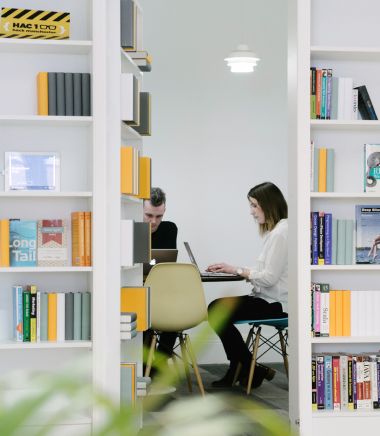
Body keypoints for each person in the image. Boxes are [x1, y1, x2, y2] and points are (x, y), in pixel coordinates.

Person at [207, 181, 288, 389]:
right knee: (217, 308)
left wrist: (237, 270)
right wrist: (235, 269)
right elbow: (268, 272)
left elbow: (269, 278)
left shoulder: (280, 234)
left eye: (254, 205)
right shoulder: (278, 231)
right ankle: (247, 367)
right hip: (267, 298)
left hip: (276, 304)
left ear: (268, 204)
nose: (251, 212)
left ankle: (244, 366)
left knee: (216, 309)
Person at [143, 187, 178, 374]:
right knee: (143, 310)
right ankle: (146, 366)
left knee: (175, 310)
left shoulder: (169, 229)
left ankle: (159, 362)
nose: (154, 221)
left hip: (160, 290)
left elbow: (168, 263)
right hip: (136, 291)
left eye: (159, 216)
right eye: (148, 215)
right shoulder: (128, 228)